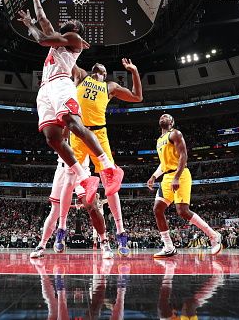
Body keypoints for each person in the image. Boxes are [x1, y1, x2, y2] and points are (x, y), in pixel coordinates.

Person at [17, 0, 124, 212]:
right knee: (52, 139)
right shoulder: (60, 40)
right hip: (45, 90)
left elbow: (42, 39)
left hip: (61, 83)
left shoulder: (73, 38)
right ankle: (85, 177)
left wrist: (29, 25)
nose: (69, 20)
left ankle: (108, 167)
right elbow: (44, 21)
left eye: (73, 21)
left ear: (76, 30)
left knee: (73, 124)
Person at [69, 59, 143, 257]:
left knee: (109, 183)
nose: (98, 67)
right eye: (96, 67)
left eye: (101, 68)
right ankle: (63, 231)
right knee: (69, 177)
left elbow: (137, 96)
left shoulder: (109, 86)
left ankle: (120, 232)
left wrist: (134, 71)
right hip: (78, 132)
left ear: (104, 74)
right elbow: (67, 59)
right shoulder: (82, 75)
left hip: (99, 135)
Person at [147, 114, 222, 258]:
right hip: (167, 177)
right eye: (162, 116)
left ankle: (213, 235)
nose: (164, 116)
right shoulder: (159, 141)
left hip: (180, 175)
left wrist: (176, 177)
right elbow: (164, 164)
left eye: (167, 116)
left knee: (182, 211)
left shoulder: (175, 133)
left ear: (172, 122)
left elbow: (183, 155)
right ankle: (169, 247)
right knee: (157, 209)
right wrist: (154, 176)